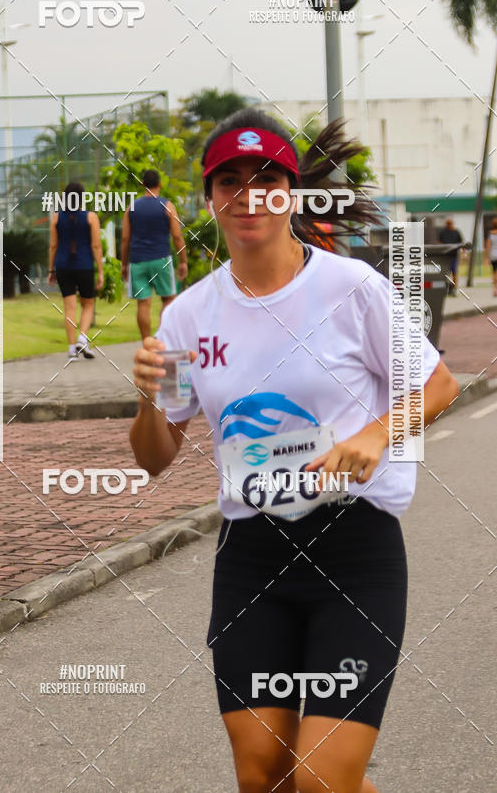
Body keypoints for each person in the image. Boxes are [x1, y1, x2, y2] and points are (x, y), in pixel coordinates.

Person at [129, 109, 459, 793]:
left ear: (292, 192)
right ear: (209, 195)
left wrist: (374, 434)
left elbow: (438, 383)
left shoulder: (351, 289)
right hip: (252, 559)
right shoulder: (188, 316)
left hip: (355, 551)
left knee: (321, 777)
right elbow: (156, 457)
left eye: (267, 178)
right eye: (231, 180)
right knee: (263, 773)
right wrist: (145, 399)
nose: (249, 195)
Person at [121, 169, 187, 339]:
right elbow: (177, 236)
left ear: (142, 184)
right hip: (161, 259)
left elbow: (125, 239)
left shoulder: (131, 208)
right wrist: (183, 261)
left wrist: (124, 264)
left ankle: (147, 344)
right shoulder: (167, 206)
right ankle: (162, 338)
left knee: (143, 304)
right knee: (168, 300)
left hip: (137, 262)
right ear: (160, 184)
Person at [48, 181, 104, 360]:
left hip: (63, 266)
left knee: (69, 307)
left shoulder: (56, 217)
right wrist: (101, 271)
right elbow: (96, 245)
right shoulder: (91, 217)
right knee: (88, 304)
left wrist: (51, 270)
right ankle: (82, 338)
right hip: (84, 265)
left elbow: (53, 245)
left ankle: (72, 349)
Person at [438, 218, 463, 295]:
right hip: (445, 256)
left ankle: (454, 288)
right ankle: (448, 288)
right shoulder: (442, 232)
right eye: (448, 224)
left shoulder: (456, 232)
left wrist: (463, 253)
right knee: (446, 273)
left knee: (454, 272)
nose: (449, 225)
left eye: (450, 223)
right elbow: (439, 242)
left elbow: (461, 242)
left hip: (454, 255)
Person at [484, 217, 497, 297]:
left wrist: (487, 258)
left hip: (493, 255)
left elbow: (488, 247)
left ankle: (495, 289)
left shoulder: (490, 235)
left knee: (494, 272)